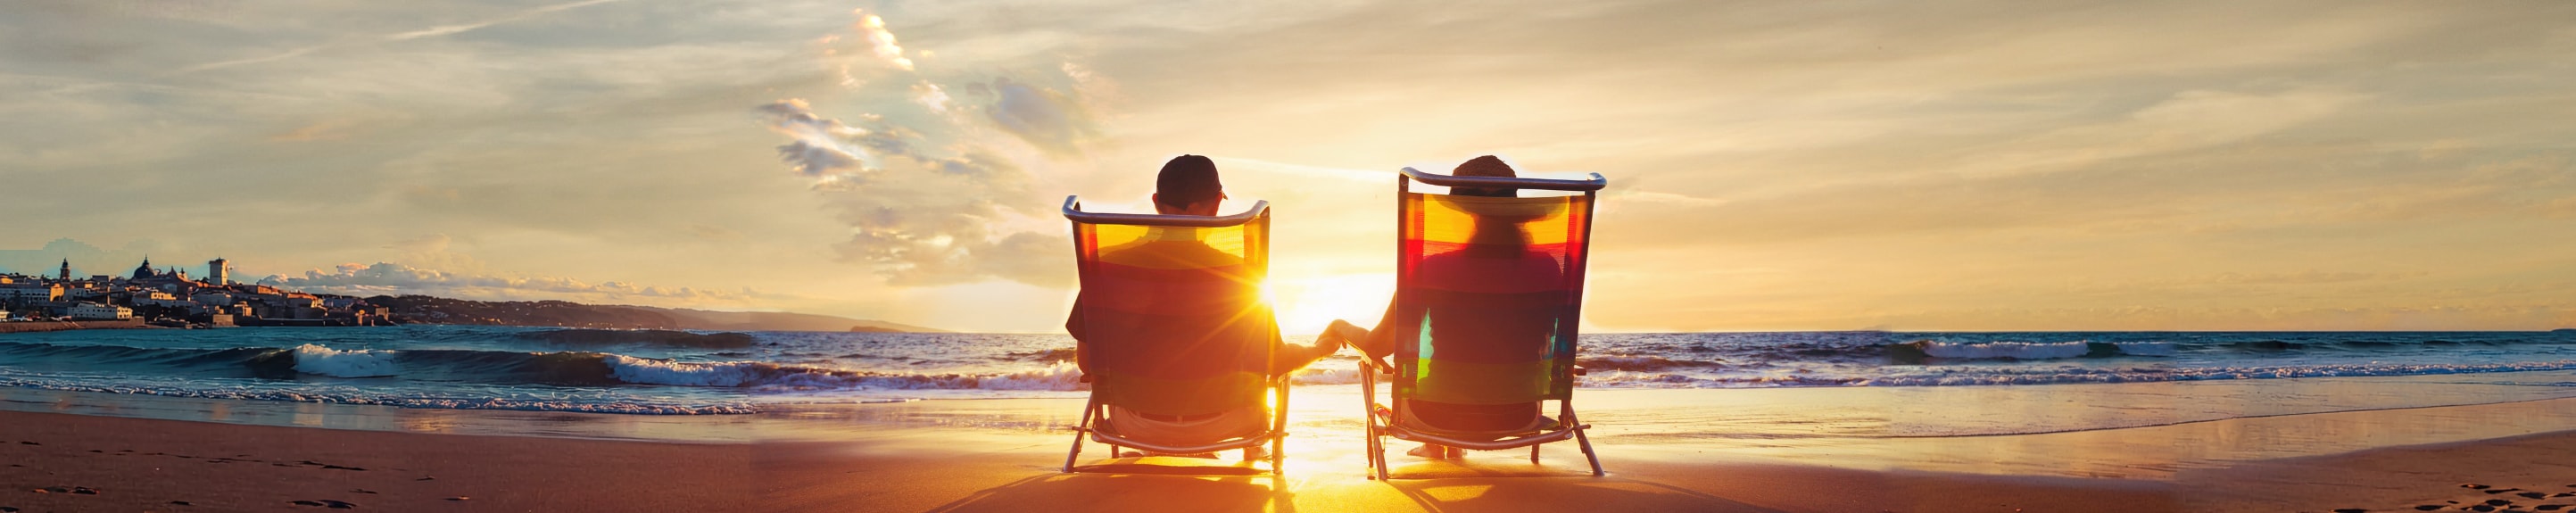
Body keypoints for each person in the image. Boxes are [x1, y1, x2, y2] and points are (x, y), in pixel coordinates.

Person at [1064, 154, 1343, 459]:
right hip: (1226, 424)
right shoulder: (1242, 277)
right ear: (1212, 206)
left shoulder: (1109, 270)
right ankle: (1250, 451)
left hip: (1133, 424)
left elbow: (1087, 362)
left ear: (1156, 201)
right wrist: (1320, 349)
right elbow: (1275, 363)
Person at [1321, 155, 1564, 460]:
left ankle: (1438, 442)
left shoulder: (1433, 268)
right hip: (1518, 412)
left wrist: (1339, 326)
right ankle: (1444, 445)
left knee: (1440, 381)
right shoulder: (1548, 268)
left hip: (1437, 414)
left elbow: (1379, 346)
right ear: (1515, 212)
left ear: (1467, 214)